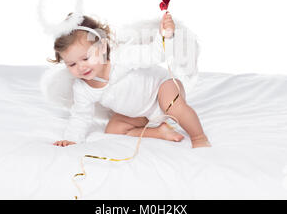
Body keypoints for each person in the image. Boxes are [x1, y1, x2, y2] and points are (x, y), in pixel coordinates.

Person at [47, 11, 211, 148]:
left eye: (85, 58)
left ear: (102, 47)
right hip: (140, 114)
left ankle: (199, 137)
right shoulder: (82, 88)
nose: (81, 67)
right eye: (72, 64)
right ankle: (160, 132)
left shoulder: (122, 57)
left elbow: (155, 54)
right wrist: (72, 139)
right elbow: (80, 116)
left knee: (173, 106)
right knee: (113, 129)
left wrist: (166, 37)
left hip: (162, 89)